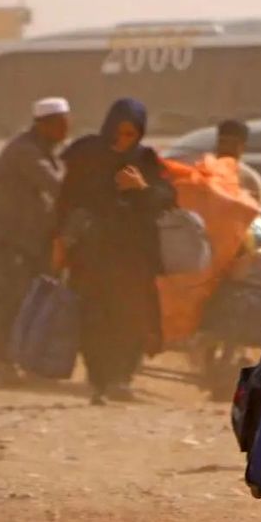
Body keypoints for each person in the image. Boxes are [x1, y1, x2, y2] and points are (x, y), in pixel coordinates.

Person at [58, 98, 176, 405]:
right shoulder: (86, 155)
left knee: (132, 317)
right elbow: (65, 199)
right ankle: (99, 380)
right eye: (118, 132)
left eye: (130, 134)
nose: (123, 140)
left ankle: (121, 378)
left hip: (134, 255)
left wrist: (141, 187)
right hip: (92, 253)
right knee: (94, 317)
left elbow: (167, 198)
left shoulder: (146, 160)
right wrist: (60, 241)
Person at [0, 97, 70, 385]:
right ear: (43, 125)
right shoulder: (25, 150)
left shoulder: (46, 150)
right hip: (10, 238)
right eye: (60, 124)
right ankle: (3, 363)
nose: (65, 129)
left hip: (33, 239)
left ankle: (29, 361)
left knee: (35, 301)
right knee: (11, 300)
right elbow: (56, 185)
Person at [214, 120, 261, 208]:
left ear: (243, 147)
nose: (226, 148)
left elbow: (258, 213)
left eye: (233, 144)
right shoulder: (203, 174)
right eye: (223, 142)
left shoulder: (250, 180)